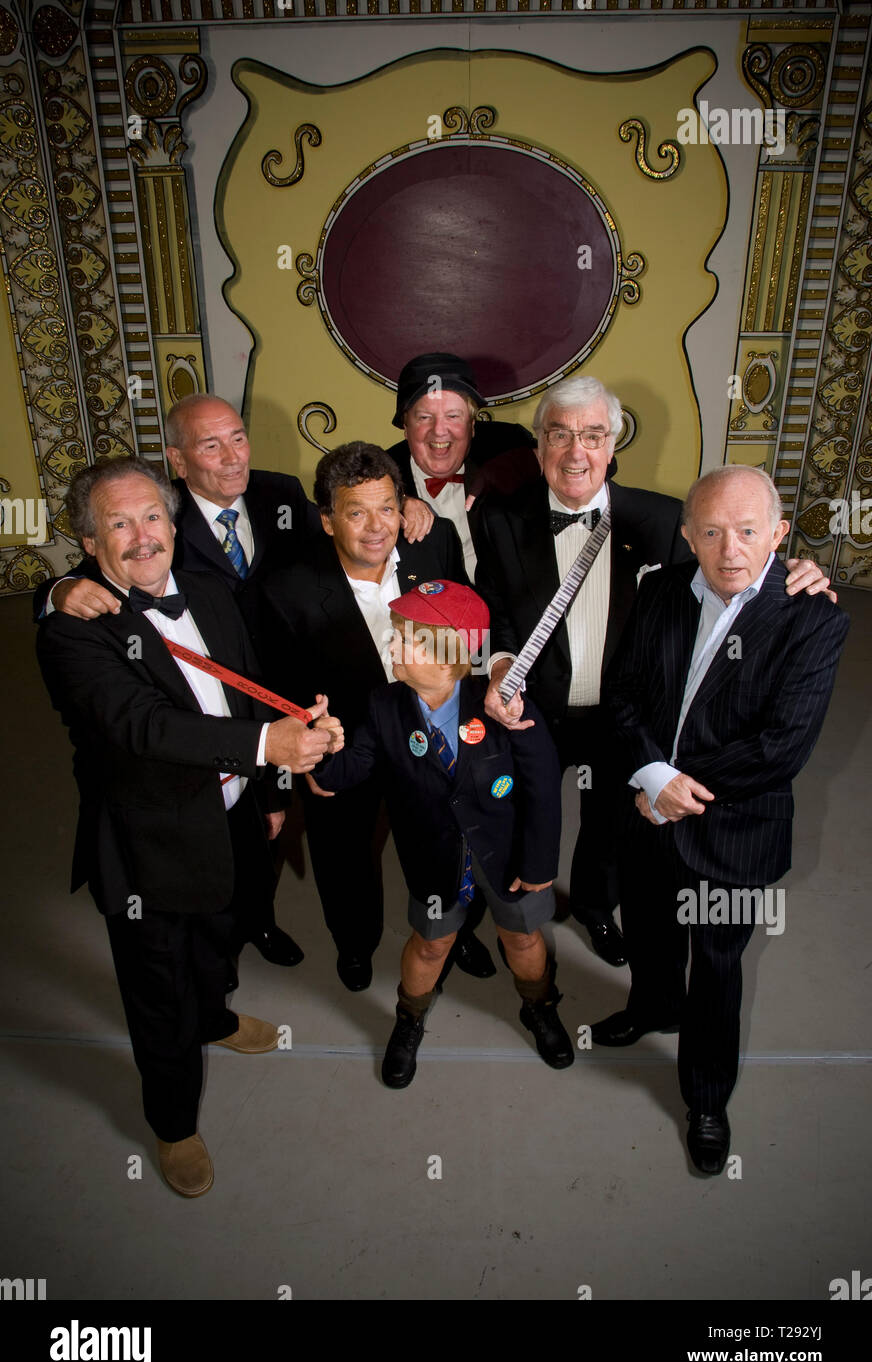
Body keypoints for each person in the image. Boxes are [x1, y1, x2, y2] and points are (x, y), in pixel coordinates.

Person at [34, 396, 429, 971]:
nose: (230, 458)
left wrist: (404, 506)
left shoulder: (280, 494)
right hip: (218, 699)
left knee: (256, 844)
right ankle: (287, 934)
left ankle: (252, 922)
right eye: (209, 445)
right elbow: (117, 556)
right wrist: (55, 591)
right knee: (313, 853)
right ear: (178, 458)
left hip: (262, 686)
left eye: (237, 438)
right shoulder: (152, 515)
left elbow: (358, 515)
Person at [36, 457, 339, 1196]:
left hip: (231, 812)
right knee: (156, 992)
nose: (142, 538)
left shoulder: (210, 588)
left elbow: (245, 694)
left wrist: (267, 790)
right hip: (149, 846)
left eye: (152, 518)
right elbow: (142, 726)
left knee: (220, 935)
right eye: (118, 523)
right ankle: (173, 1124)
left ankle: (215, 1016)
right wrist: (272, 749)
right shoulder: (71, 629)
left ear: (175, 524)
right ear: (87, 542)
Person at [476, 375, 835, 969]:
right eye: (559, 435)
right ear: (538, 447)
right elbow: (493, 604)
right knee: (520, 810)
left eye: (593, 435)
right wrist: (503, 664)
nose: (576, 452)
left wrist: (795, 570)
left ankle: (594, 906)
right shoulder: (499, 518)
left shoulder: (665, 520)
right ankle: (520, 917)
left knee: (611, 824)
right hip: (532, 706)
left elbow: (730, 564)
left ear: (613, 446)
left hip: (625, 712)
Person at [596, 465, 849, 1174]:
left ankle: (706, 1096)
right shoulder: (661, 592)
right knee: (648, 922)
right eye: (710, 532)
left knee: (715, 966)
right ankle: (650, 1005)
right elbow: (623, 696)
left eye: (746, 531)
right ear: (688, 536)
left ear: (778, 534)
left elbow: (781, 747)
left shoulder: (816, 619)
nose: (729, 549)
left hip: (733, 830)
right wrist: (651, 776)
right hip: (647, 807)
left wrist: (676, 787)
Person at [312, 580, 572, 1088]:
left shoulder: (504, 706)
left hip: (508, 860)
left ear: (449, 654)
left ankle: (539, 1007)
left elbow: (543, 787)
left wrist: (539, 865)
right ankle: (409, 1019)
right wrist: (320, 745)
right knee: (431, 945)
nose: (390, 647)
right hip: (435, 863)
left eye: (403, 639)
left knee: (522, 937)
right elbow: (340, 774)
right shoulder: (384, 707)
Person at [260, 442, 495, 990]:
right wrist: (305, 753)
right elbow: (278, 686)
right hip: (348, 747)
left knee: (450, 839)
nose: (376, 527)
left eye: (387, 507)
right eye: (356, 511)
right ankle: (355, 944)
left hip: (434, 735)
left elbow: (468, 634)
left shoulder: (432, 543)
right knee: (343, 855)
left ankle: (456, 931)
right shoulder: (285, 589)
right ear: (326, 520)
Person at [387, 353, 538, 580]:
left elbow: (596, 466)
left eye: (453, 416)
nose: (439, 430)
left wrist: (523, 463)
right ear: (405, 427)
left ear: (473, 424)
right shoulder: (382, 472)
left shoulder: (506, 444)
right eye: (425, 417)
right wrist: (394, 500)